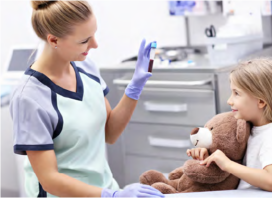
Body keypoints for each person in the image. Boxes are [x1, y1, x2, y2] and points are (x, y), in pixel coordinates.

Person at [9, 0, 164, 197]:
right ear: (54, 40)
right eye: (84, 40)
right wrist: (112, 196)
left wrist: (134, 88)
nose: (95, 45)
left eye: (93, 35)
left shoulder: (85, 67)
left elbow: (110, 133)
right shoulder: (29, 97)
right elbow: (49, 180)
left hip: (104, 189)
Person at [187, 58, 272, 192]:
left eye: (236, 93)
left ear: (261, 102)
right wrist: (210, 155)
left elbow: (271, 181)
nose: (229, 101)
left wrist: (227, 164)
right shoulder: (251, 129)